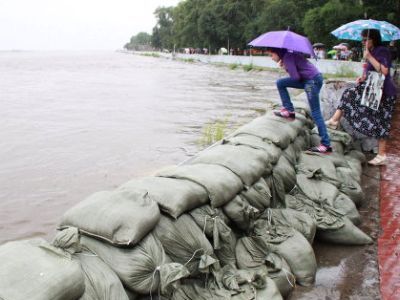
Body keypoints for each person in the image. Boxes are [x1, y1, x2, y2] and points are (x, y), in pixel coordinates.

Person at [326, 29, 397, 165]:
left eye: (366, 39)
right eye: (362, 40)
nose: (363, 42)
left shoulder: (382, 51)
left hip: (385, 93)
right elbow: (370, 72)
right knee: (349, 94)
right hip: (373, 90)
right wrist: (362, 78)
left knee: (382, 122)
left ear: (374, 39)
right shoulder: (372, 51)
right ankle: (335, 120)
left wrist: (369, 57)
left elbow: (384, 71)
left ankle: (382, 155)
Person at [267, 47, 332, 153]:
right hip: (310, 80)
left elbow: (296, 77)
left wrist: (286, 68)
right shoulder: (288, 56)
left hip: (311, 82)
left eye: (271, 55)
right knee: (280, 83)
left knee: (316, 112)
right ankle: (289, 110)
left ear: (278, 53)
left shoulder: (288, 57)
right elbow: (299, 75)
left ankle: (326, 144)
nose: (271, 58)